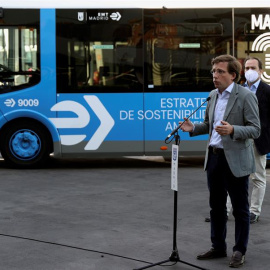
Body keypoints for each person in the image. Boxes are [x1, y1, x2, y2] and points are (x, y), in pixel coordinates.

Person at [180, 55, 260, 268]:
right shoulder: (212, 95)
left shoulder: (245, 96)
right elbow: (209, 124)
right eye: (213, 71)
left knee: (240, 209)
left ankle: (239, 250)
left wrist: (233, 129)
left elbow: (255, 129)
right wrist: (193, 128)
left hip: (235, 160)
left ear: (233, 75)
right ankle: (218, 246)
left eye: (220, 72)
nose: (215, 75)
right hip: (214, 158)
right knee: (216, 207)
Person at [207, 57, 270, 224]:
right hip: (237, 142)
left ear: (261, 71)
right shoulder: (238, 90)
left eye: (253, 68)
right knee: (230, 178)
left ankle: (254, 212)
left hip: (259, 140)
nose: (249, 71)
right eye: (247, 67)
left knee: (257, 177)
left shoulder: (267, 90)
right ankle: (225, 211)